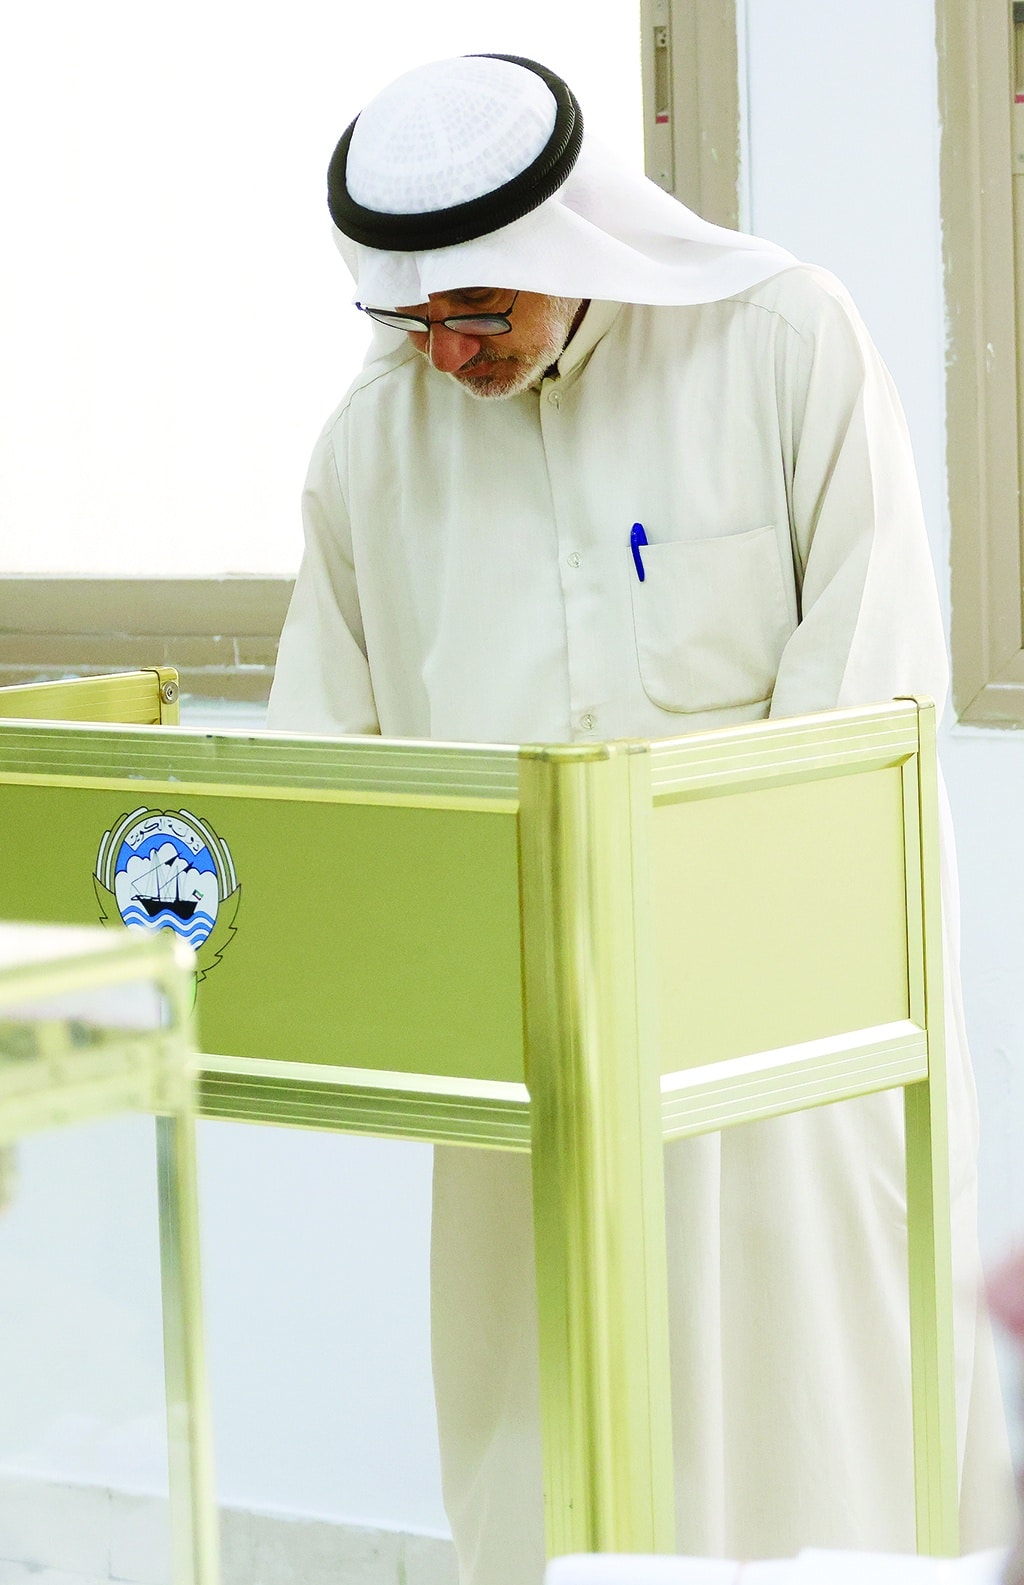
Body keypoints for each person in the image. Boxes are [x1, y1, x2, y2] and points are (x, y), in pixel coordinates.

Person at [267, 51, 1014, 1584]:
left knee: (822, 1409)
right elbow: (326, 754)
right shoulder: (370, 451)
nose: (451, 352)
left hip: (788, 1028)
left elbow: (873, 682)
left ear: (570, 247)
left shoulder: (782, 340)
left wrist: (707, 926)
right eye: (417, 318)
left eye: (483, 310)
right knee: (551, 1435)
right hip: (528, 1039)